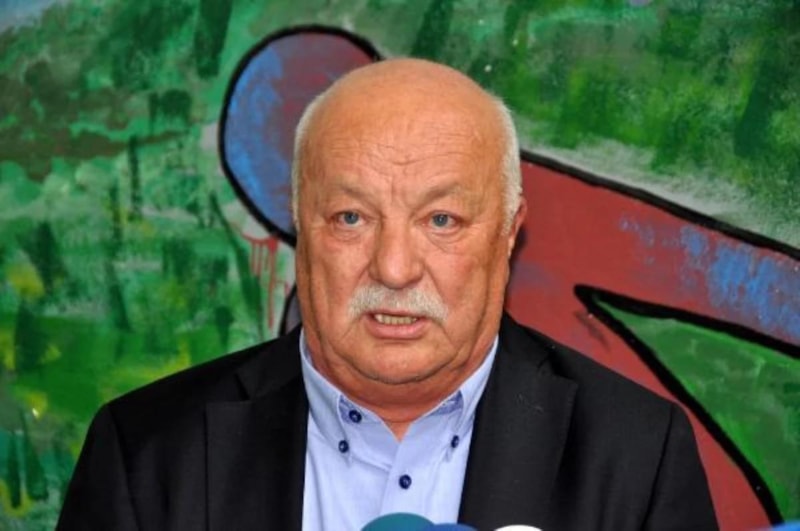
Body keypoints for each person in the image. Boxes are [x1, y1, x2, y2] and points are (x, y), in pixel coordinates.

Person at [57, 58, 718, 530]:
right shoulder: (145, 452)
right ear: (299, 223)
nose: (395, 268)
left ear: (509, 232)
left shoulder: (636, 453)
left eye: (442, 220)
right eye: (351, 217)